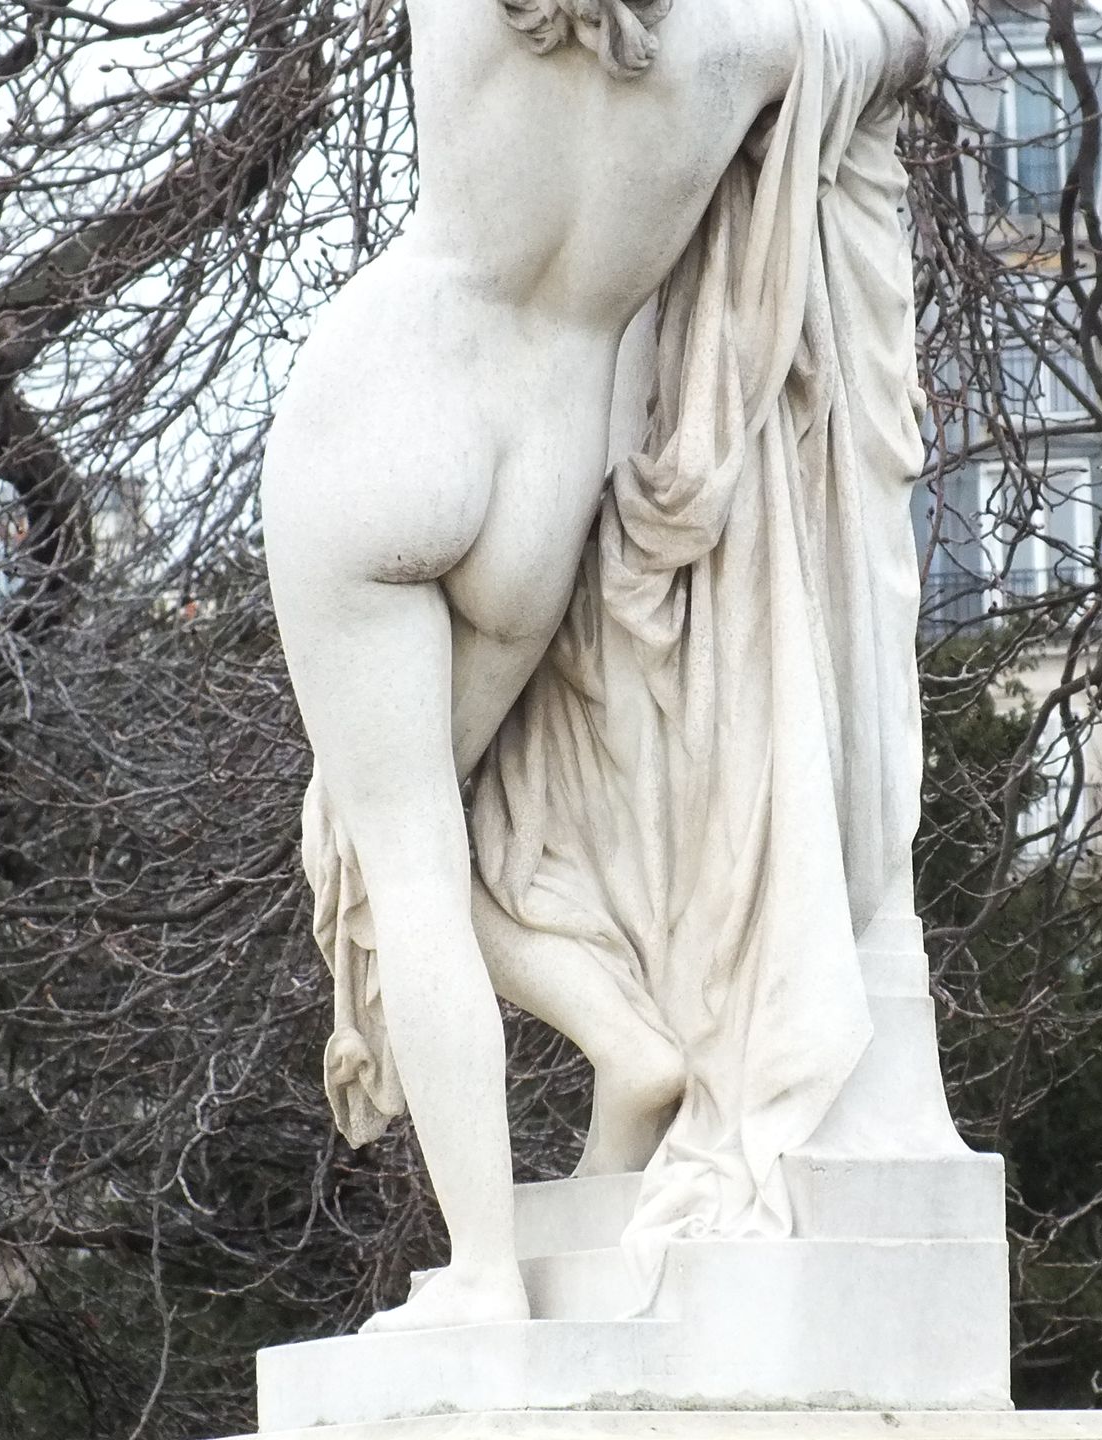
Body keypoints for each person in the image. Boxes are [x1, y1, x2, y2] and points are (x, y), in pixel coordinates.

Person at [263, 0, 966, 1334]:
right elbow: (919, 28)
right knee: (436, 834)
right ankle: (630, 1046)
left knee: (403, 860)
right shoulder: (747, 47)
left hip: (384, 409)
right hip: (548, 467)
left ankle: (483, 1275)